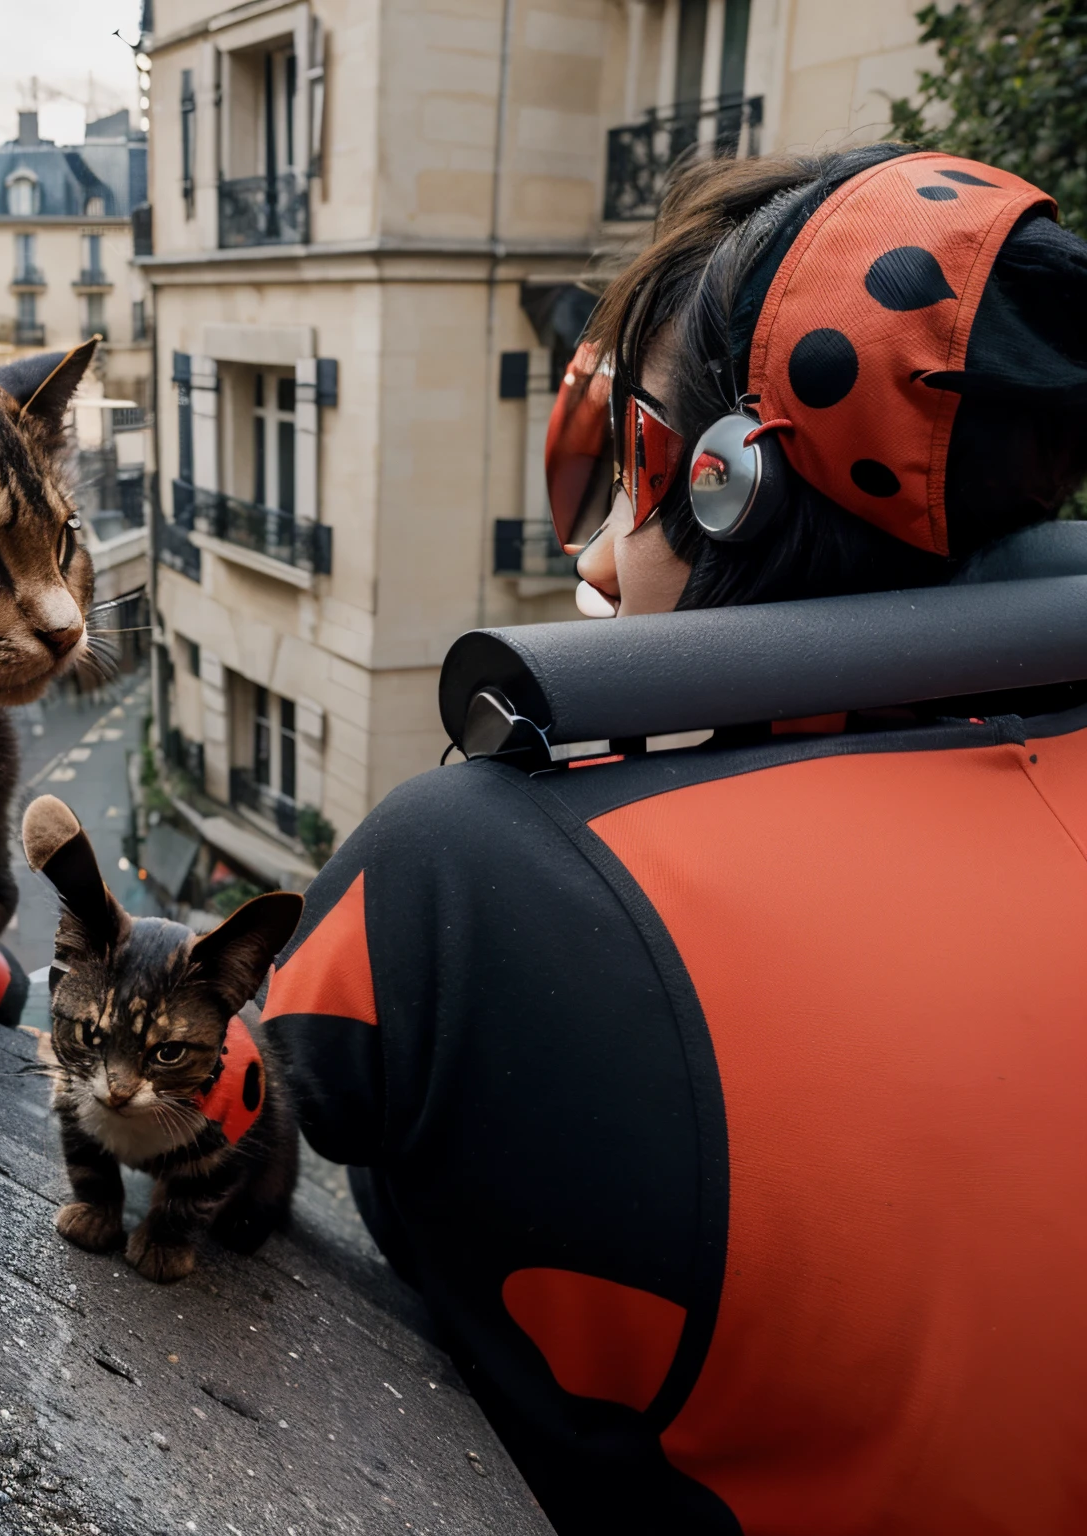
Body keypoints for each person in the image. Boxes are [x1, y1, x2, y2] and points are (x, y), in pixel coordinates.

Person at [261, 144, 1087, 1535]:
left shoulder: (472, 885)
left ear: (729, 488)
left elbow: (226, 1080)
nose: (591, 556)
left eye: (634, 460)